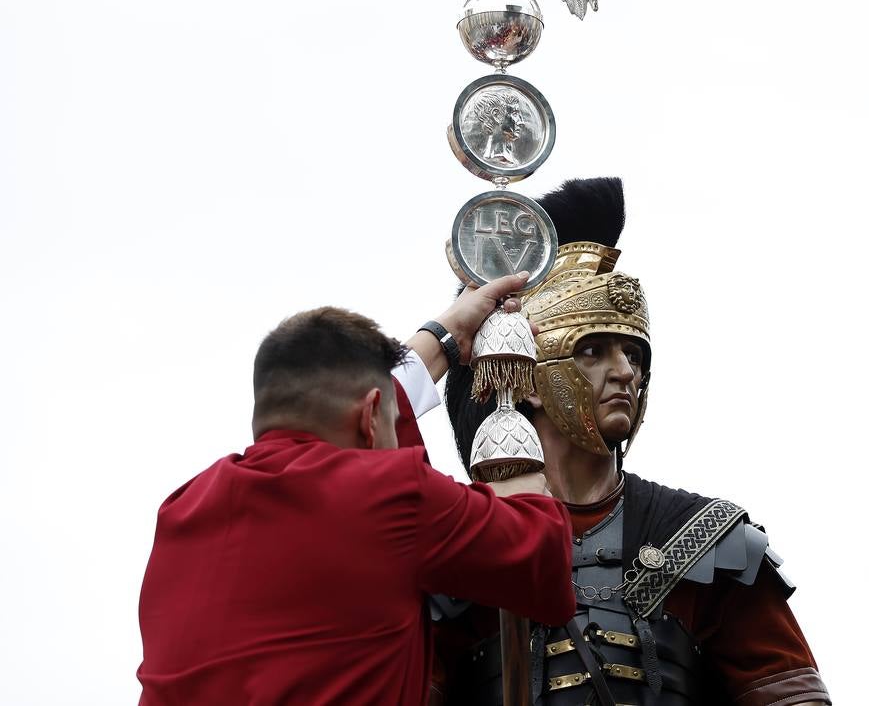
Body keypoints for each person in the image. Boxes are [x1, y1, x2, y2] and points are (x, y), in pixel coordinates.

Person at [434, 177, 831, 706]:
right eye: (593, 350)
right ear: (526, 378)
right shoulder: (461, 546)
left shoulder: (703, 537)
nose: (625, 372)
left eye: (634, 355)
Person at [137, 274, 575, 705]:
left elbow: (370, 408)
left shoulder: (182, 508)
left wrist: (445, 334)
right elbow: (542, 564)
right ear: (370, 417)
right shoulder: (388, 495)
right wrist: (521, 482)